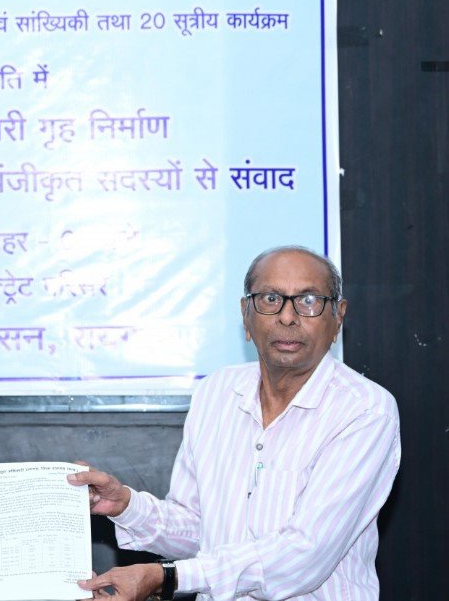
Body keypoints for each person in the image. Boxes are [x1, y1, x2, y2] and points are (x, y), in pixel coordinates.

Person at [69, 246, 400, 601]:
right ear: (246, 315)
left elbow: (305, 555)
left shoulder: (364, 410)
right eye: (270, 299)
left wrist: (167, 577)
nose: (288, 317)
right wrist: (125, 505)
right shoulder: (216, 393)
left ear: (338, 318)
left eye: (308, 300)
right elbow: (200, 529)